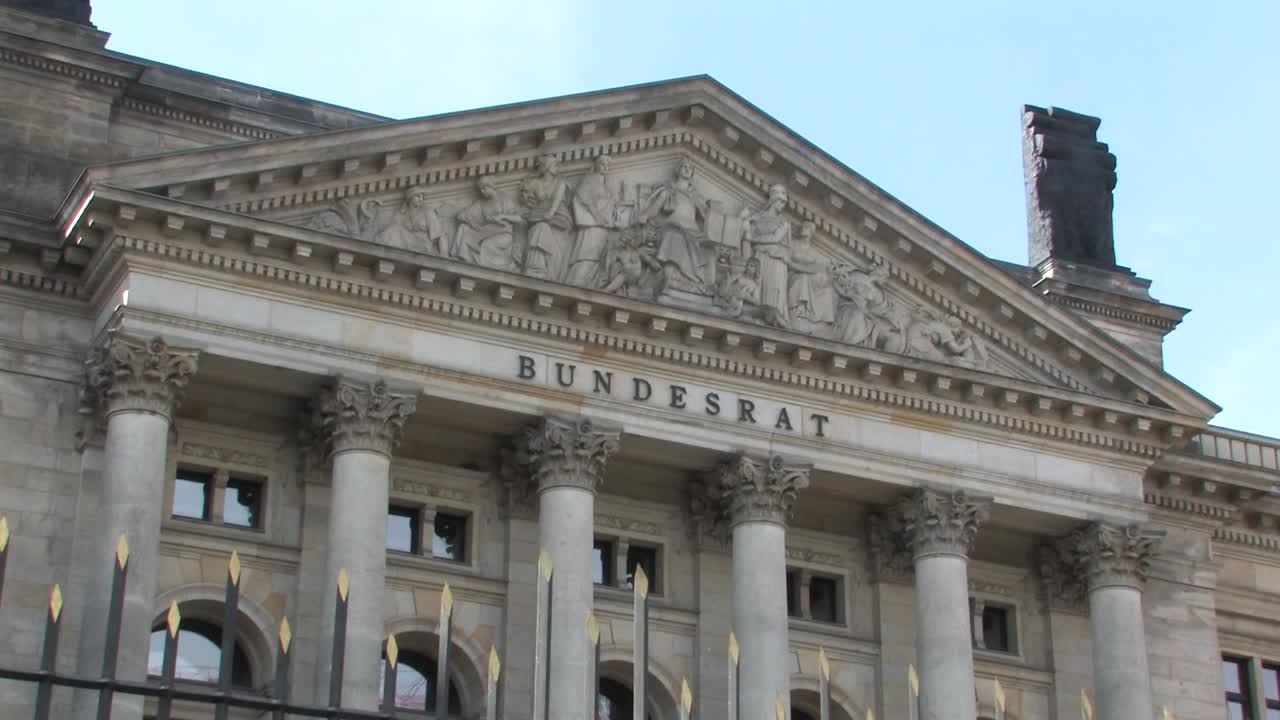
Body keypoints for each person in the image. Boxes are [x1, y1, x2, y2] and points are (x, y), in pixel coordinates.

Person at [639, 159, 713, 292]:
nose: (687, 169)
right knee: (675, 237)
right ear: (678, 170)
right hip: (673, 227)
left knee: (710, 249)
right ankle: (672, 278)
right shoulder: (669, 190)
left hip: (694, 232)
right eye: (684, 166)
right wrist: (644, 215)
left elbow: (708, 217)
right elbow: (655, 208)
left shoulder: (695, 197)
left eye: (690, 168)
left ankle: (700, 285)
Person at [742, 184, 791, 327]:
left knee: (774, 291)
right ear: (773, 200)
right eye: (781, 201)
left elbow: (776, 238)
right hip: (759, 258)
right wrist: (744, 220)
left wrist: (753, 239)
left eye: (784, 202)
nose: (783, 205)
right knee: (759, 287)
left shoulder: (785, 223)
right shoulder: (757, 217)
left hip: (776, 262)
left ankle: (775, 321)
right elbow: (745, 233)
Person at [565, 155, 617, 287]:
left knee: (598, 258)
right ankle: (576, 283)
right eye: (602, 163)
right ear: (595, 165)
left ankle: (589, 284)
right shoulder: (589, 179)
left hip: (604, 227)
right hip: (592, 226)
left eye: (608, 165)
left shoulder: (606, 185)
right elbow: (583, 198)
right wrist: (597, 216)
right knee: (588, 255)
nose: (605, 167)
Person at [451, 176, 522, 271]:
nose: (482, 191)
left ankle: (492, 269)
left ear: (491, 186)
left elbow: (518, 218)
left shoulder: (503, 198)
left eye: (484, 188)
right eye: (481, 189)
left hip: (504, 234)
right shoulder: (482, 203)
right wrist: (473, 224)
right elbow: (461, 216)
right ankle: (465, 261)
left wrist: (503, 216)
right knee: (464, 229)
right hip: (487, 232)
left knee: (486, 244)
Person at [519, 154, 572, 281]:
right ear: (546, 166)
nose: (557, 167)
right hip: (538, 217)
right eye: (554, 164)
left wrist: (551, 213)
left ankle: (548, 274)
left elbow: (558, 198)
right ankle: (536, 268)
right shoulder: (536, 183)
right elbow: (525, 197)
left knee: (555, 250)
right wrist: (527, 201)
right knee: (540, 229)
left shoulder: (560, 182)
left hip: (558, 218)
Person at [786, 220, 835, 332]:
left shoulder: (813, 251)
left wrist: (829, 272)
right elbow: (788, 262)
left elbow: (819, 266)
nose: (804, 229)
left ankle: (819, 320)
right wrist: (805, 269)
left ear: (812, 232)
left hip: (808, 276)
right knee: (803, 279)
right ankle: (798, 312)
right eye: (803, 227)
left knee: (826, 288)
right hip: (793, 275)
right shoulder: (792, 244)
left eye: (807, 228)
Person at [374, 186, 445, 252]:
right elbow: (394, 225)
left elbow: (439, 234)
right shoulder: (404, 213)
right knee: (393, 230)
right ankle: (378, 246)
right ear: (410, 198)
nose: (421, 199)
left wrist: (444, 254)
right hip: (408, 241)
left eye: (422, 197)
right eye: (418, 196)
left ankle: (377, 245)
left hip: (422, 244)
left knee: (395, 229)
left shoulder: (427, 211)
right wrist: (401, 212)